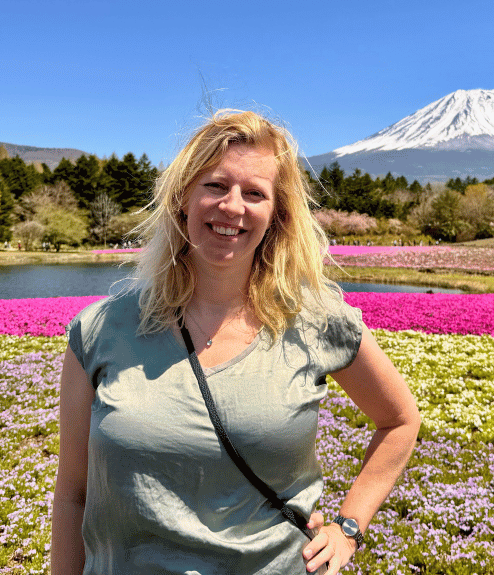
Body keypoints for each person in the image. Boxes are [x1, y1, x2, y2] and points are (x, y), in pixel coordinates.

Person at [51, 110, 421, 575]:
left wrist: (348, 528)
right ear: (182, 197)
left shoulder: (317, 321)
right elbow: (72, 496)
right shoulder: (101, 330)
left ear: (277, 215)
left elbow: (400, 420)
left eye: (254, 193)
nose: (232, 206)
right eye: (215, 185)